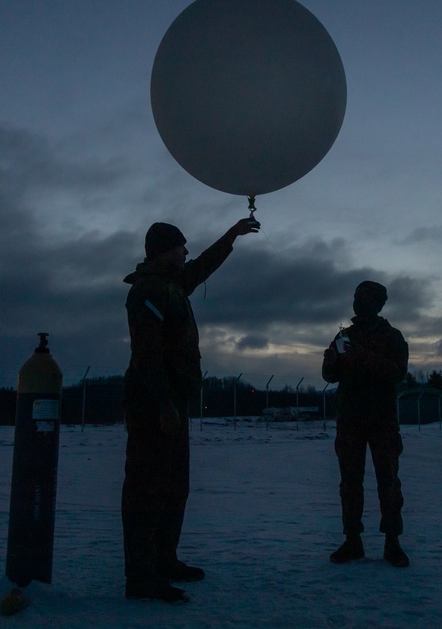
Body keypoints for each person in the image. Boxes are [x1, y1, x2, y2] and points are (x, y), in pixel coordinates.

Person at [121, 218, 258, 603]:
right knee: (147, 489)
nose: (186, 253)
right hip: (154, 405)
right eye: (181, 247)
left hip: (172, 405)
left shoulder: (171, 285)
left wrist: (231, 236)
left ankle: (164, 559)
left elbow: (201, 267)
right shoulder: (148, 290)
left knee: (172, 487)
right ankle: (142, 576)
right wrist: (164, 402)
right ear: (164, 250)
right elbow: (146, 356)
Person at [322, 281, 410, 568]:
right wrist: (331, 360)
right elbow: (329, 376)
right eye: (356, 296)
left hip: (382, 421)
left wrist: (363, 356)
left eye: (364, 297)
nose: (358, 302)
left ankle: (392, 542)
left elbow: (396, 372)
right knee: (350, 484)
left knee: (388, 483)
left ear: (378, 303)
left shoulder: (392, 337)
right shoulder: (344, 334)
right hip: (350, 422)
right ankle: (352, 540)